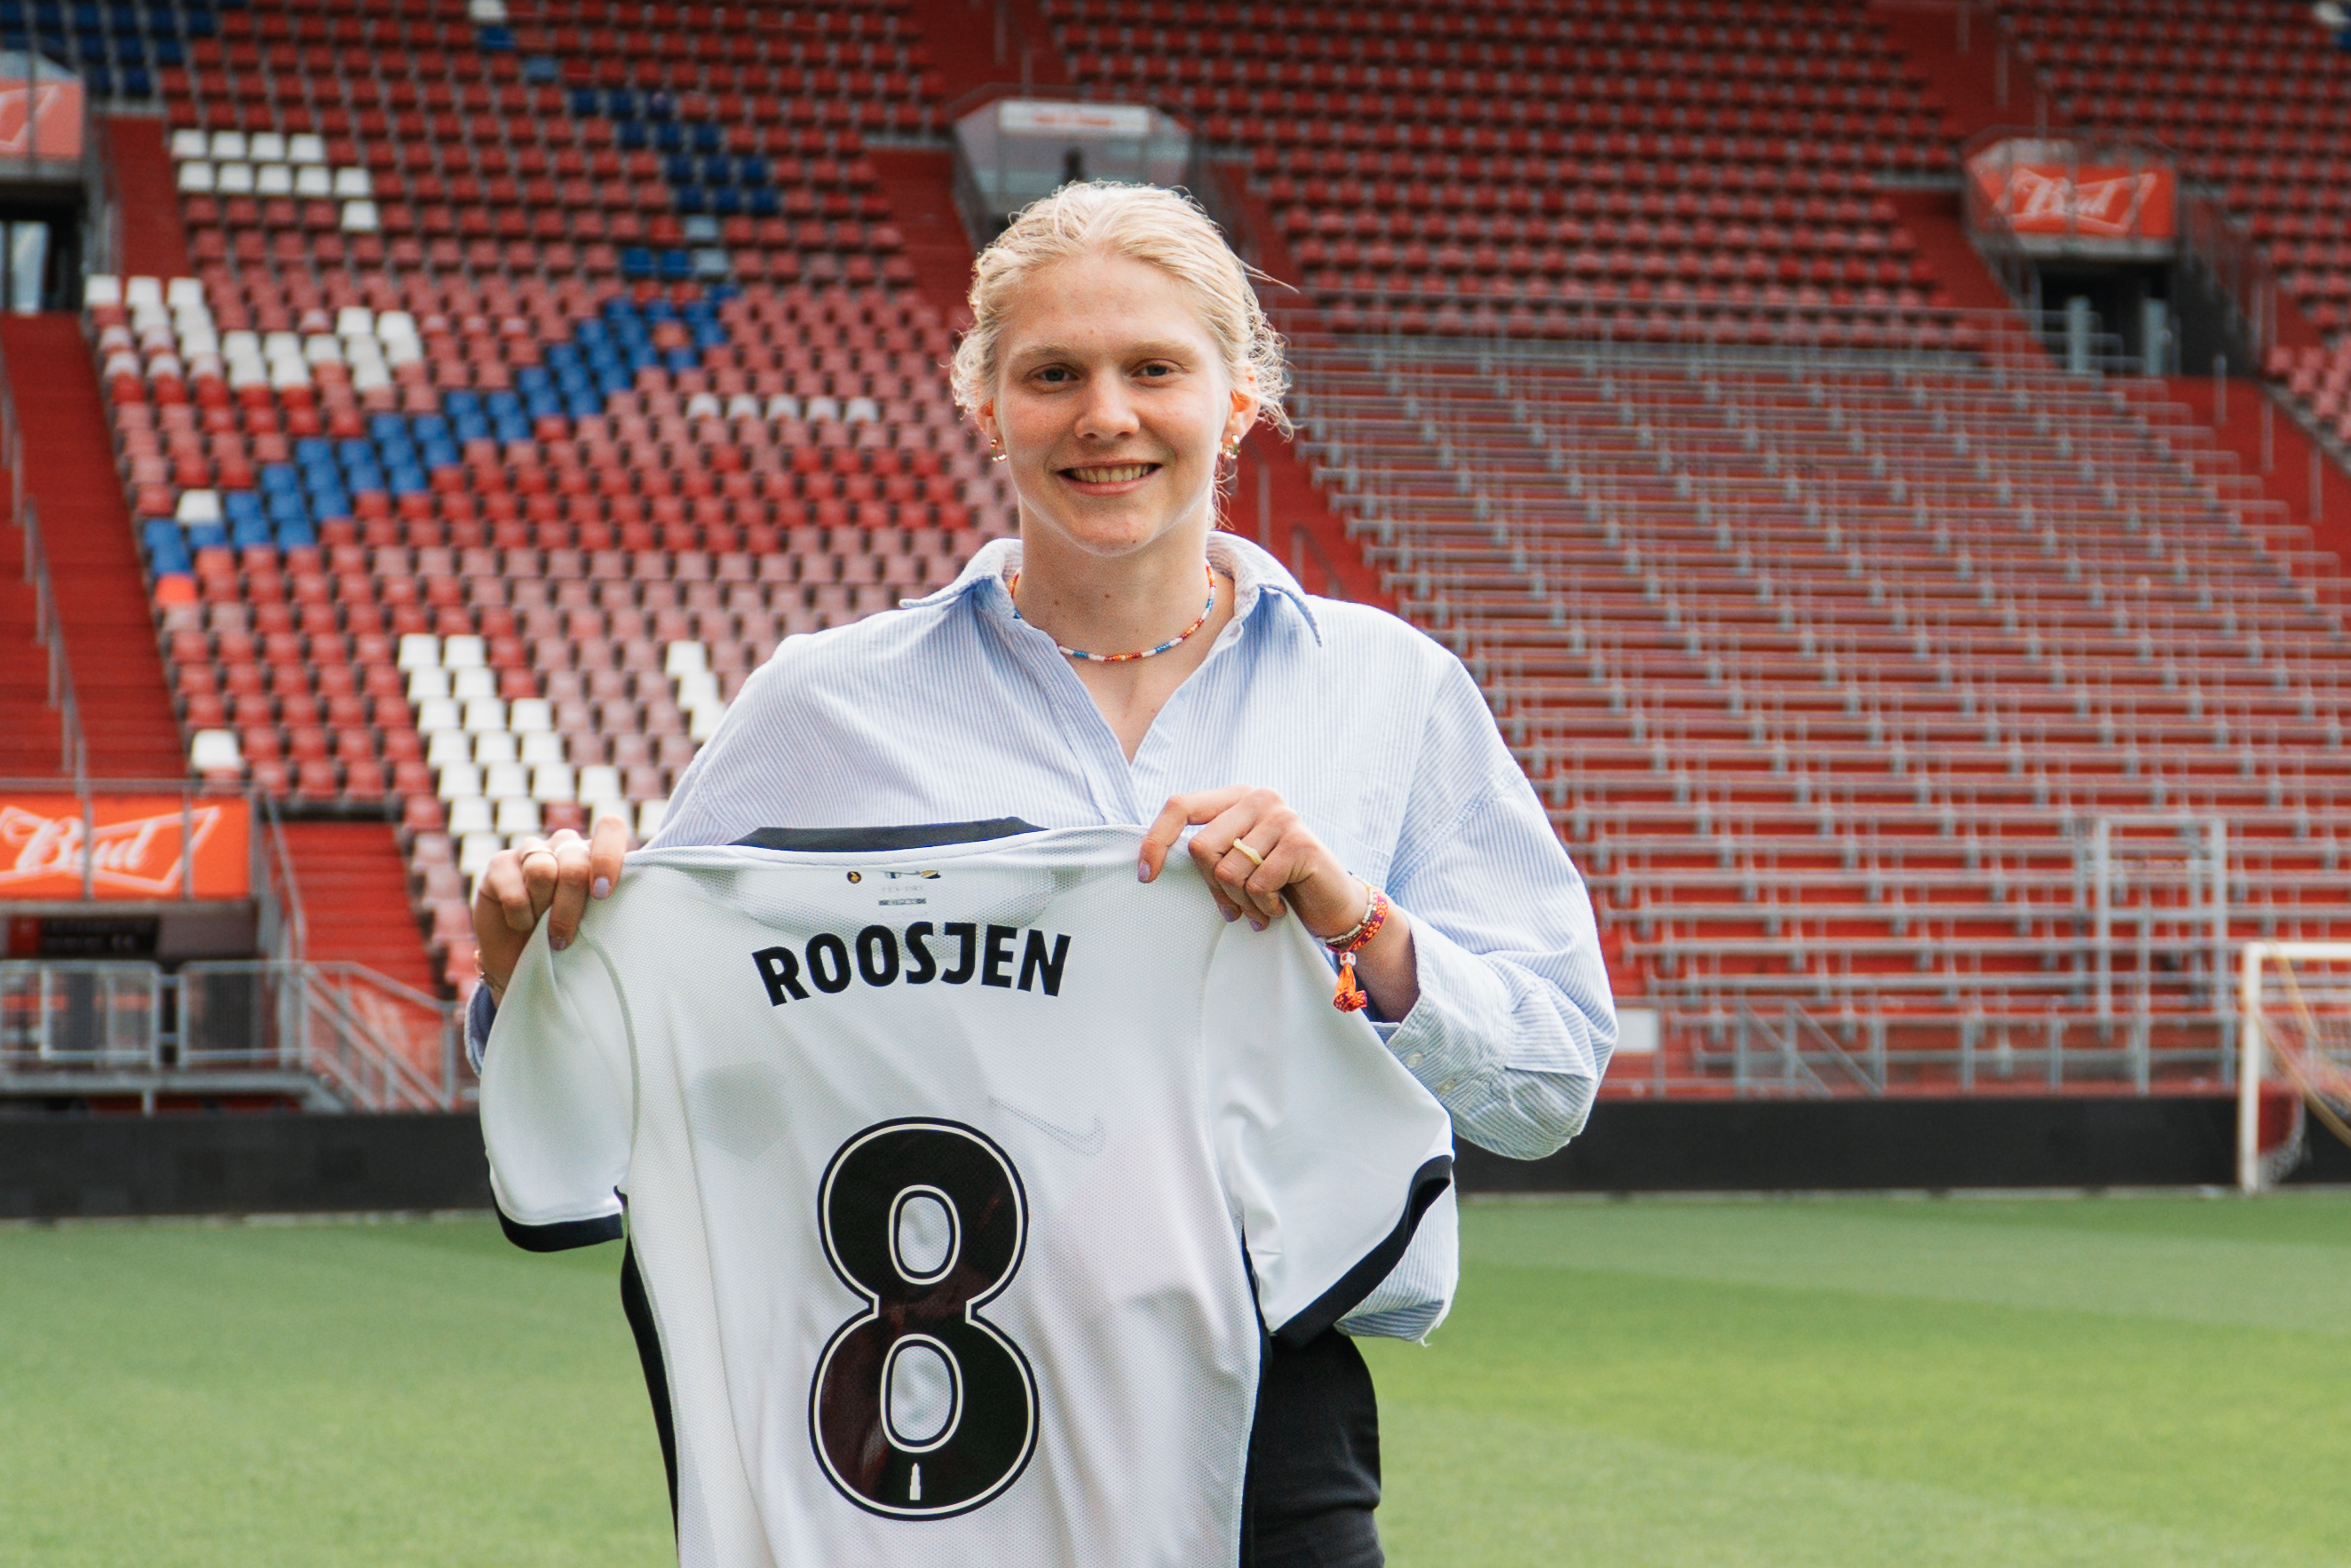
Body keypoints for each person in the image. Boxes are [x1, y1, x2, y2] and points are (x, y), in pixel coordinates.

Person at [468, 180, 1616, 1567]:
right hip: (896, 1429)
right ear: (986, 402)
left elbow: (1551, 1081)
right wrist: (532, 963)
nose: (1106, 416)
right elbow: (664, 1067)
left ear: (1239, 398)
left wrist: (1357, 921)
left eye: (1155, 369)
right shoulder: (825, 704)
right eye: (1053, 374)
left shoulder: (1391, 690)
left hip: (1267, 1414)